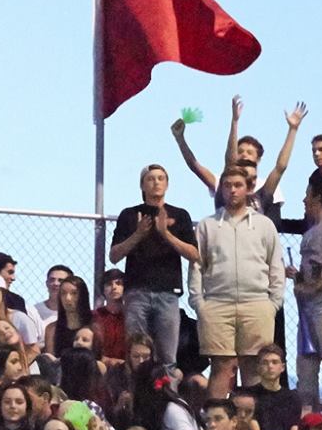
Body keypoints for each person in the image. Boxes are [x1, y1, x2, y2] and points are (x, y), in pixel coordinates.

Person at [188, 167, 286, 398]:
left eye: (238, 185)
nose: (232, 190)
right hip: (217, 304)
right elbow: (196, 265)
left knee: (253, 367)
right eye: (227, 185)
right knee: (221, 366)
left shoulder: (264, 224)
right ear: (221, 189)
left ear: (248, 188)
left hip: (257, 303)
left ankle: (252, 426)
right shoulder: (207, 225)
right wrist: (199, 303)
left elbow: (275, 263)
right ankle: (215, 422)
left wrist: (274, 302)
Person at [110, 164, 199, 368]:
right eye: (151, 179)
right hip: (136, 293)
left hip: (167, 293)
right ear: (142, 185)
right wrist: (138, 234)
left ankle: (166, 397)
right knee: (136, 352)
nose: (156, 182)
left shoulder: (180, 215)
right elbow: (114, 255)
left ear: (167, 184)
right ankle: (136, 396)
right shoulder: (129, 215)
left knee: (167, 357)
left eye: (161, 178)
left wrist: (166, 234)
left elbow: (194, 254)